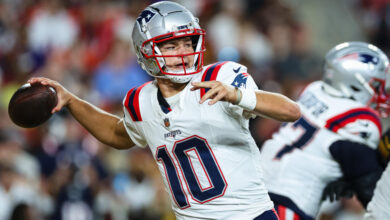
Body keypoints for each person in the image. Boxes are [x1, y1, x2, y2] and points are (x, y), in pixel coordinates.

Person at [28, 1, 301, 219]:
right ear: (146, 52)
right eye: (171, 45)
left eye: (187, 43)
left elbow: (291, 111)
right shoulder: (140, 101)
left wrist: (239, 95)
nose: (183, 52)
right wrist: (73, 101)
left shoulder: (222, 76)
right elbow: (116, 133)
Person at [259, 41, 389, 220]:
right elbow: (372, 192)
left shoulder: (313, 90)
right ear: (355, 84)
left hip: (257, 184)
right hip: (285, 202)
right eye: (376, 87)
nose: (381, 95)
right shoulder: (359, 120)